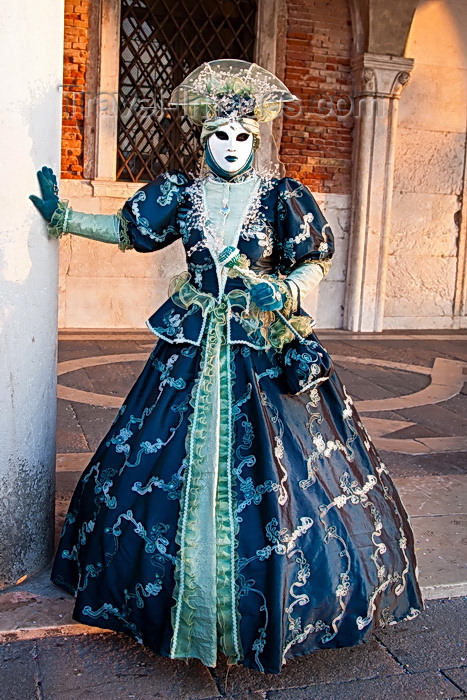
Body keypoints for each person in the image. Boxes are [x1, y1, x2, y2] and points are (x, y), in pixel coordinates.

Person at [30, 60, 423, 674]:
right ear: (204, 137)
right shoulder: (181, 194)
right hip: (192, 340)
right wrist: (66, 219)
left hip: (259, 345)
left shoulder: (281, 196)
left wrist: (287, 291)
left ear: (257, 137)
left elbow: (313, 261)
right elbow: (129, 230)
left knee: (283, 471)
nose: (232, 145)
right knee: (154, 462)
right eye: (220, 135)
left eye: (243, 135)